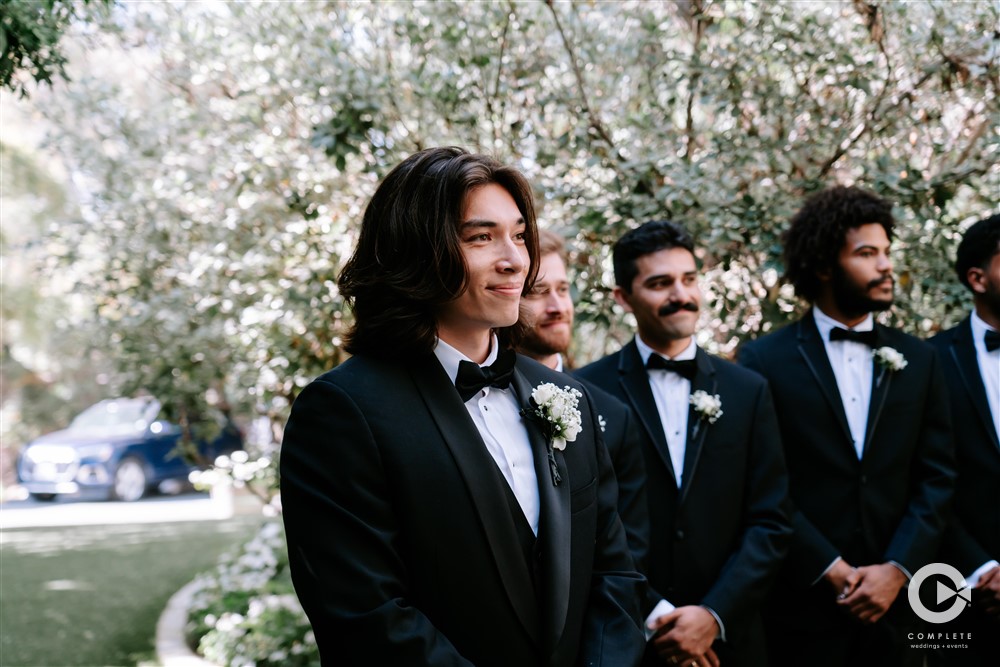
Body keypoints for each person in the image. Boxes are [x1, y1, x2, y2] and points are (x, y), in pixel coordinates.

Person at [279, 147, 646, 667]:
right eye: (481, 237)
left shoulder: (568, 397)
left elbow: (612, 572)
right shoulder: (342, 412)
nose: (515, 258)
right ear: (415, 252)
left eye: (519, 235)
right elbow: (367, 616)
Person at [738, 185, 955, 667]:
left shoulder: (921, 360)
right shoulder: (764, 360)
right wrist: (829, 568)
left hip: (902, 612)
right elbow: (764, 484)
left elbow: (937, 477)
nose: (885, 266)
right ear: (822, 266)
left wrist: (897, 569)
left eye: (886, 252)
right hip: (802, 608)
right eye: (866, 254)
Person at [576, 220, 791, 667]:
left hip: (731, 641)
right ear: (623, 297)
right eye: (660, 283)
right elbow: (590, 523)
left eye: (689, 279)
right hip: (631, 639)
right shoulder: (584, 390)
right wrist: (656, 613)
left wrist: (713, 615)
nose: (681, 294)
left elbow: (770, 520)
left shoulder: (748, 391)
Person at [517, 229, 650, 570]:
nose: (558, 306)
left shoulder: (612, 414)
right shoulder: (472, 398)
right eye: (537, 292)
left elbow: (627, 548)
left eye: (563, 289)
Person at [927, 212, 1000, 665]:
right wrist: (982, 569)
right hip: (965, 598)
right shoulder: (930, 362)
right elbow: (927, 480)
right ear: (978, 278)